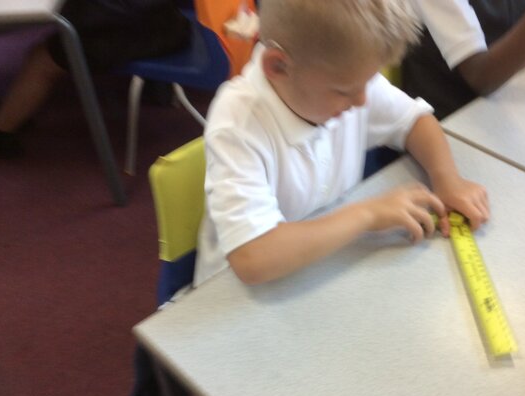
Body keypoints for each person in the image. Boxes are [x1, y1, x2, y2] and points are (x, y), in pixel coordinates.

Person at [195, 0, 490, 289]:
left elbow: (415, 121)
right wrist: (368, 215)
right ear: (278, 66)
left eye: (368, 83)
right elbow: (253, 258)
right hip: (235, 295)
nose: (362, 101)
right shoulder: (238, 123)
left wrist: (447, 180)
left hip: (317, 269)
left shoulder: (344, 79)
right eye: (345, 91)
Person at [0, 0, 191, 158]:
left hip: (144, 29)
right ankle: (11, 111)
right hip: (156, 21)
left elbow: (104, 13)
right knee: (44, 47)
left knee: (43, 59)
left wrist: (62, 10)